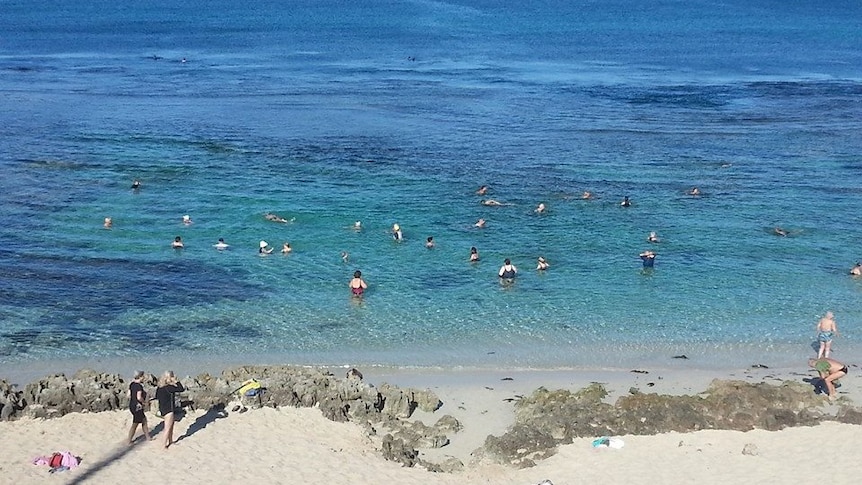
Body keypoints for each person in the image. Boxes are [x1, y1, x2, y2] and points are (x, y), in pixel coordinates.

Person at [155, 371, 184, 449]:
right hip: (168, 409)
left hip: (162, 408)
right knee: (167, 427)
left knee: (171, 425)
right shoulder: (169, 388)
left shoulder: (160, 387)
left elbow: (157, 397)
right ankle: (163, 445)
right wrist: (176, 381)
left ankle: (170, 441)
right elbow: (181, 389)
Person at [127, 371, 151, 444]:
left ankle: (148, 437)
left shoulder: (131, 384)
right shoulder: (139, 386)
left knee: (144, 420)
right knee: (135, 423)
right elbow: (139, 397)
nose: (144, 378)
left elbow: (128, 395)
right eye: (143, 376)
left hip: (132, 405)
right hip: (138, 406)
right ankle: (129, 440)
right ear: (140, 377)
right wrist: (144, 402)